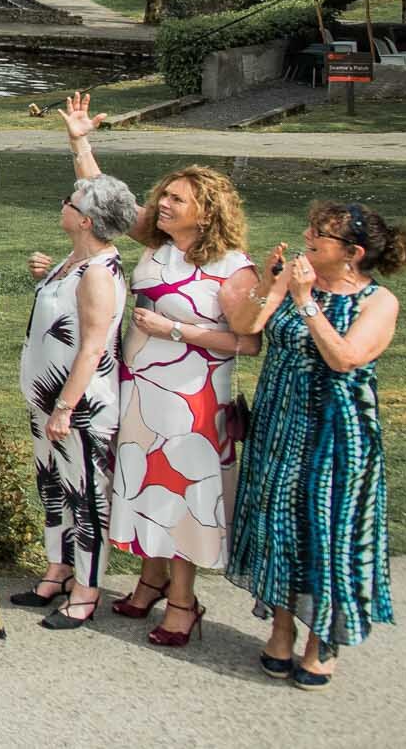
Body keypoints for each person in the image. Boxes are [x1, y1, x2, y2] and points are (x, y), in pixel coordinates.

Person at [229, 202, 404, 687]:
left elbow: (344, 357)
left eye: (321, 235)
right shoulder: (294, 280)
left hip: (335, 433)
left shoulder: (377, 301)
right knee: (278, 524)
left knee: (327, 531)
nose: (309, 237)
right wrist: (269, 286)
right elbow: (246, 328)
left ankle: (323, 638)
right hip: (279, 424)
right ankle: (281, 627)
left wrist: (306, 301)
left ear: (353, 253)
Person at [107, 160, 259, 647]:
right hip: (142, 391)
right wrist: (79, 141)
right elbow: (106, 197)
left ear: (207, 211)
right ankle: (152, 580)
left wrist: (175, 330)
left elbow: (248, 342)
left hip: (192, 396)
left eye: (177, 198)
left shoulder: (232, 268)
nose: (163, 204)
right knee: (148, 484)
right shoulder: (158, 250)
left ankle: (183, 602)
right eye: (163, 195)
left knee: (183, 492)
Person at [11, 96, 138, 629]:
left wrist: (65, 406)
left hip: (78, 406)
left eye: (70, 200)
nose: (62, 204)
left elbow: (91, 346)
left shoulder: (100, 274)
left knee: (86, 493)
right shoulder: (73, 260)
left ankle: (86, 589)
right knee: (52, 485)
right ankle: (57, 568)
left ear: (85, 219)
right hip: (47, 401)